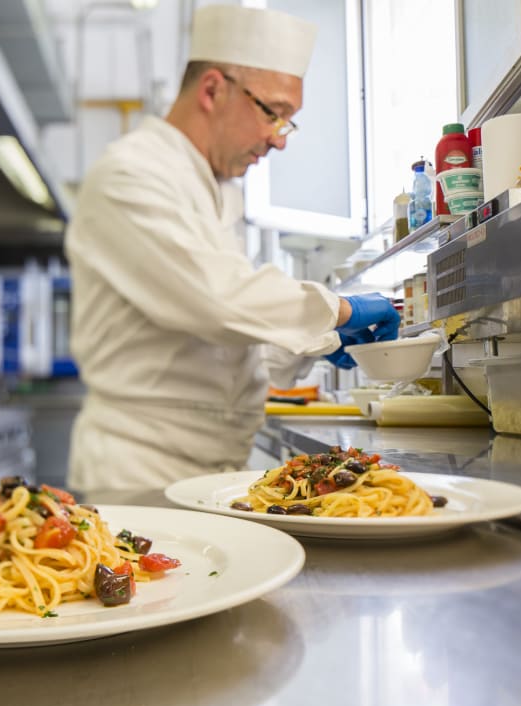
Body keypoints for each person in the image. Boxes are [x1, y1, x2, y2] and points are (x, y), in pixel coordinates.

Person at [64, 4, 399, 491]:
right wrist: (338, 311)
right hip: (142, 472)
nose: (279, 141)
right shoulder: (130, 174)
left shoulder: (213, 189)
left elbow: (216, 347)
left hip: (206, 468)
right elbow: (217, 299)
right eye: (273, 114)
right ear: (212, 90)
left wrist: (321, 343)